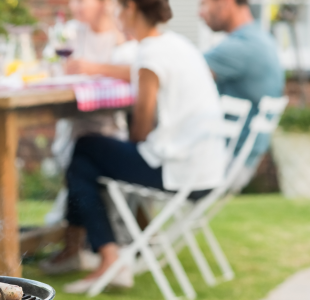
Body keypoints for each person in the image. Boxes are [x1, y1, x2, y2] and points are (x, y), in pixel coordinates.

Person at [62, 0, 227, 293]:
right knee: (89, 156)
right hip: (206, 170)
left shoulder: (149, 55)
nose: (115, 16)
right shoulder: (177, 44)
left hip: (178, 171)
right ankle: (97, 254)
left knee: (83, 148)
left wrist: (120, 150)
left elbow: (140, 128)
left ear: (133, 9)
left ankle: (104, 257)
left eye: (118, 9)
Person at [40, 0, 135, 276]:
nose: (76, 5)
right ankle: (82, 250)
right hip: (75, 125)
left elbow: (135, 72)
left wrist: (91, 66)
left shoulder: (121, 36)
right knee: (78, 163)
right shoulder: (70, 32)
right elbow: (52, 61)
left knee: (80, 163)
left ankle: (92, 251)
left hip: (106, 127)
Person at [199, 0, 285, 167]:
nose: (200, 13)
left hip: (223, 158)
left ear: (225, 3)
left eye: (204, 4)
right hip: (243, 156)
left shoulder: (242, 46)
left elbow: (180, 75)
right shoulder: (260, 39)